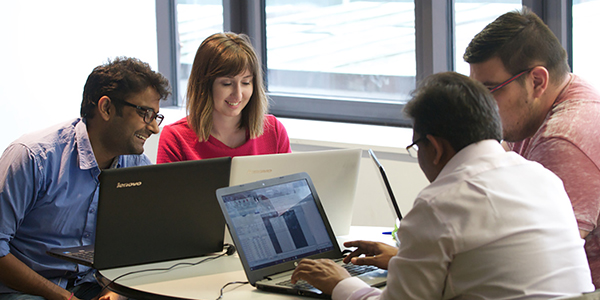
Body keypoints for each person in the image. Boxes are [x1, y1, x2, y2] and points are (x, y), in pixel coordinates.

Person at [290, 72, 594, 299]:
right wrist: (403, 258)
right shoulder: (543, 178)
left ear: (434, 147)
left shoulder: (441, 203)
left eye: (416, 147)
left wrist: (340, 282)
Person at [0, 57, 170, 300]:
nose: (154, 128)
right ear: (106, 108)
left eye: (156, 116)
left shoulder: (135, 165)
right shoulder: (33, 158)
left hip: (93, 286)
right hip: (27, 290)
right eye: (145, 113)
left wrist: (114, 290)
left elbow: (138, 241)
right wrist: (64, 297)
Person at [463, 8, 600, 287]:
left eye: (490, 90)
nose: (482, 106)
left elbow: (537, 258)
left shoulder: (562, 141)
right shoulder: (539, 107)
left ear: (537, 81)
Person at [157, 32, 291, 162]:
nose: (238, 94)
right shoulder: (175, 138)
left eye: (246, 82)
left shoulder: (274, 131)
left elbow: (292, 184)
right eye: (227, 84)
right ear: (204, 85)